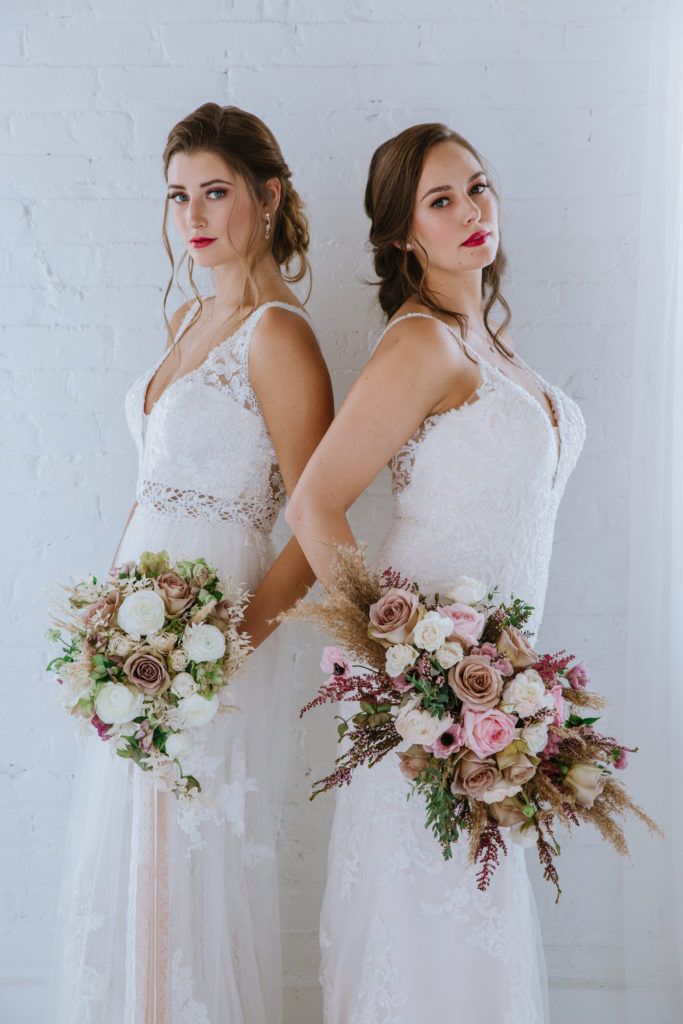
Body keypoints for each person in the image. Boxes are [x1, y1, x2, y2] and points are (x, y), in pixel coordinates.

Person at [286, 122, 586, 1023]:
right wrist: (399, 665)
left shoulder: (484, 342)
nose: (470, 211)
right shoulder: (420, 345)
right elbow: (313, 505)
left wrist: (502, 689)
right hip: (428, 699)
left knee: (472, 921)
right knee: (427, 924)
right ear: (402, 234)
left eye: (478, 187)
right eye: (440, 201)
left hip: (497, 695)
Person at [49, 102, 333, 1024]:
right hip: (139, 628)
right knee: (137, 855)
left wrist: (220, 651)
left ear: (266, 195)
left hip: (215, 636)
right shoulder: (186, 316)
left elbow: (317, 525)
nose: (195, 215)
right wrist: (105, 618)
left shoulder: (279, 334)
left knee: (194, 856)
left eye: (215, 191)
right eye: (179, 197)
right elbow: (153, 481)